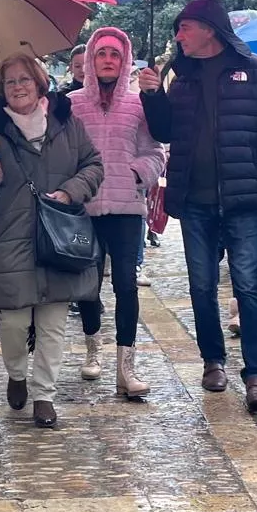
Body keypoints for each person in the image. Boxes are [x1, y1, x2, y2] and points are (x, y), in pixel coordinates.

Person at [138, 0, 257, 413]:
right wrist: (153, 96)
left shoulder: (256, 72)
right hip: (195, 201)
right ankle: (213, 361)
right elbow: (165, 131)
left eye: (184, 27)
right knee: (202, 286)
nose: (179, 36)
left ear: (209, 28)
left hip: (246, 199)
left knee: (247, 285)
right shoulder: (181, 77)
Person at [0, 54, 103, 427]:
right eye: (10, 82)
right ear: (1, 90)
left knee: (53, 325)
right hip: (11, 235)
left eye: (24, 79)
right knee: (12, 323)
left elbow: (94, 165)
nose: (18, 87)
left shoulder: (65, 122)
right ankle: (16, 374)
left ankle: (44, 395)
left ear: (40, 82)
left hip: (58, 235)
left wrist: (70, 191)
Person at [68, 29, 163, 395]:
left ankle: (127, 368)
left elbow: (156, 152)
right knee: (88, 287)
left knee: (125, 284)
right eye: (101, 53)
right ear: (90, 60)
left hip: (126, 206)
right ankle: (93, 351)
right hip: (85, 207)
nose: (108, 59)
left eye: (116, 54)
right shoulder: (73, 104)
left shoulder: (139, 104)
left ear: (126, 61)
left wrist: (137, 172)